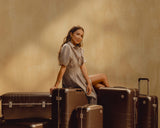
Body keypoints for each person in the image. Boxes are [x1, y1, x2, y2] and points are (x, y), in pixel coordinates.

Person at [50, 25, 109, 104]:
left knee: (99, 86)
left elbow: (83, 67)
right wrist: (56, 85)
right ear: (71, 34)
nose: (80, 37)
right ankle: (113, 94)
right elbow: (63, 67)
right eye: (77, 34)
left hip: (80, 77)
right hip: (73, 80)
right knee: (103, 76)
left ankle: (104, 105)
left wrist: (88, 83)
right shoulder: (67, 47)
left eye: (82, 36)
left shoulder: (80, 49)